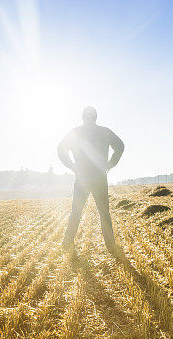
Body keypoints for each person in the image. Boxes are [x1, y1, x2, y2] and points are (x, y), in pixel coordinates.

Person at [57, 106, 124, 255]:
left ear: (83, 117)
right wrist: (110, 164)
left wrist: (72, 166)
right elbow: (120, 146)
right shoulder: (105, 131)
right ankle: (110, 244)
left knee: (76, 211)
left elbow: (60, 149)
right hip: (99, 176)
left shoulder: (75, 132)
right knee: (104, 212)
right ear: (95, 117)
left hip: (82, 177)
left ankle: (67, 243)